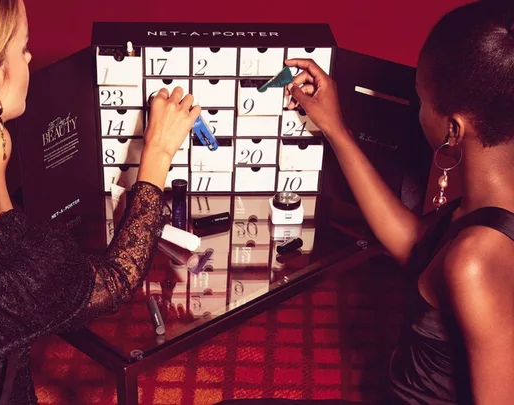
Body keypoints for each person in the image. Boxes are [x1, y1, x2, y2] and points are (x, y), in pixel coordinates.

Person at [217, 0, 514, 404]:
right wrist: (335, 128)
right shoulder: (490, 202)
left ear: (453, 128)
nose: (419, 111)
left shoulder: (476, 261)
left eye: (422, 99)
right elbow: (413, 244)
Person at [0, 0, 200, 403]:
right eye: (23, 47)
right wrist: (158, 152)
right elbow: (114, 282)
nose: (30, 57)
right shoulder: (4, 266)